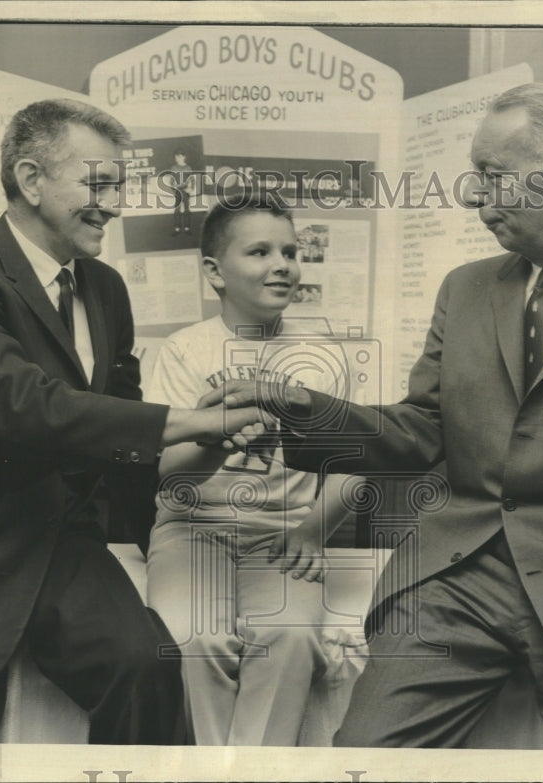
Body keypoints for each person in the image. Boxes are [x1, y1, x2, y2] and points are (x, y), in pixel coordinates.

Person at [208, 82, 543, 750]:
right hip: (452, 584)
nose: (471, 196)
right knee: (361, 761)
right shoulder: (465, 290)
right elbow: (421, 432)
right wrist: (296, 405)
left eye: (490, 176)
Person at [0, 98, 267, 744]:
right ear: (30, 180)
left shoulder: (107, 290)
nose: (114, 203)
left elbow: (122, 448)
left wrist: (213, 445)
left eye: (119, 185)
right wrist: (193, 418)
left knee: (148, 666)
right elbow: (23, 404)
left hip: (50, 538)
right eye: (99, 182)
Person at [143, 199, 357, 745]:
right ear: (215, 271)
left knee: (288, 634)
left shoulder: (323, 354)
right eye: (259, 251)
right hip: (192, 530)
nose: (282, 263)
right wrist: (216, 438)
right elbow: (168, 475)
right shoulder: (182, 351)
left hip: (285, 534)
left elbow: (358, 464)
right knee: (194, 636)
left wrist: (315, 529)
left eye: (290, 251)